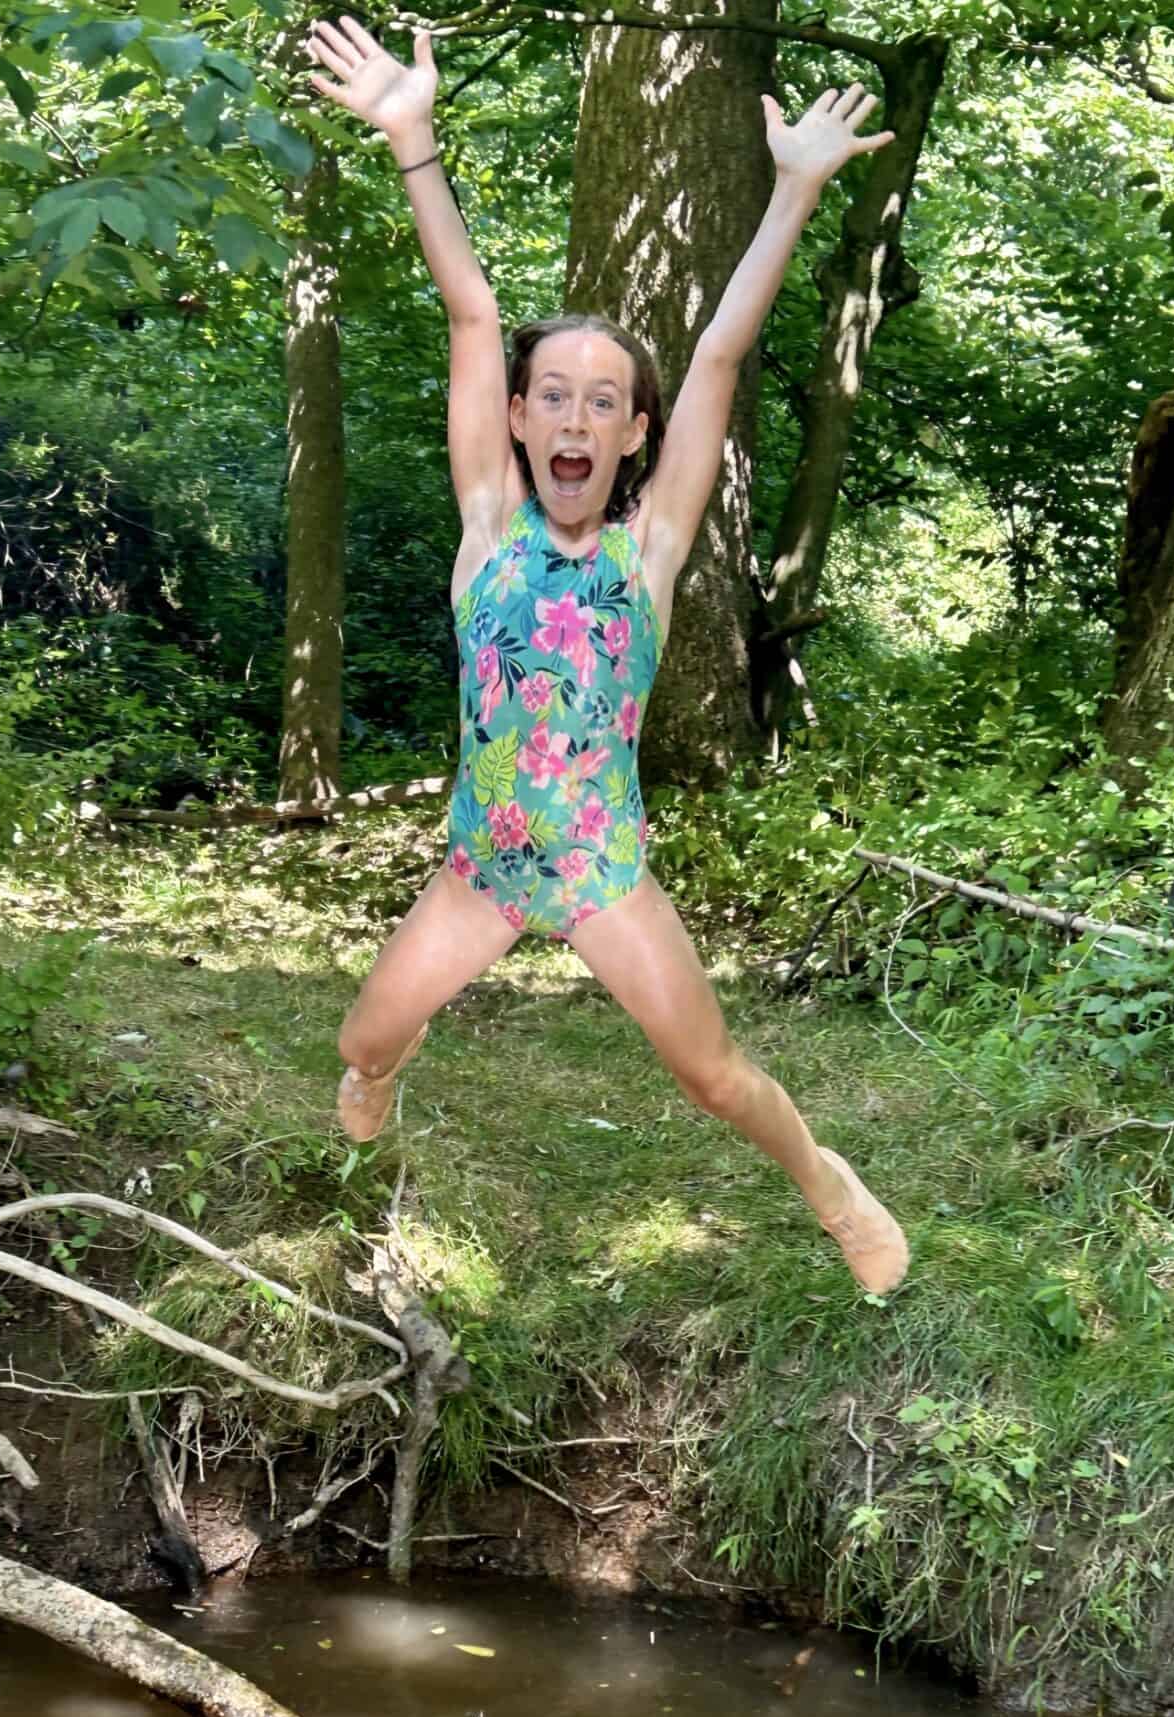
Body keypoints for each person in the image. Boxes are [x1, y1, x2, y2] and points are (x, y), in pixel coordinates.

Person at [305, 18, 910, 1295]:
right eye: (553, 395)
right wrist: (412, 138)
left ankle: (829, 1185)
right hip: (484, 862)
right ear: (520, 420)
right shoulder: (488, 525)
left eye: (605, 401)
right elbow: (472, 313)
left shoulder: (650, 552)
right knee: (363, 1037)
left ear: (634, 434)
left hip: (600, 864)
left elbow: (721, 355)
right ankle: (381, 1071)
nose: (576, 416)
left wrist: (794, 186)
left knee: (709, 1073)